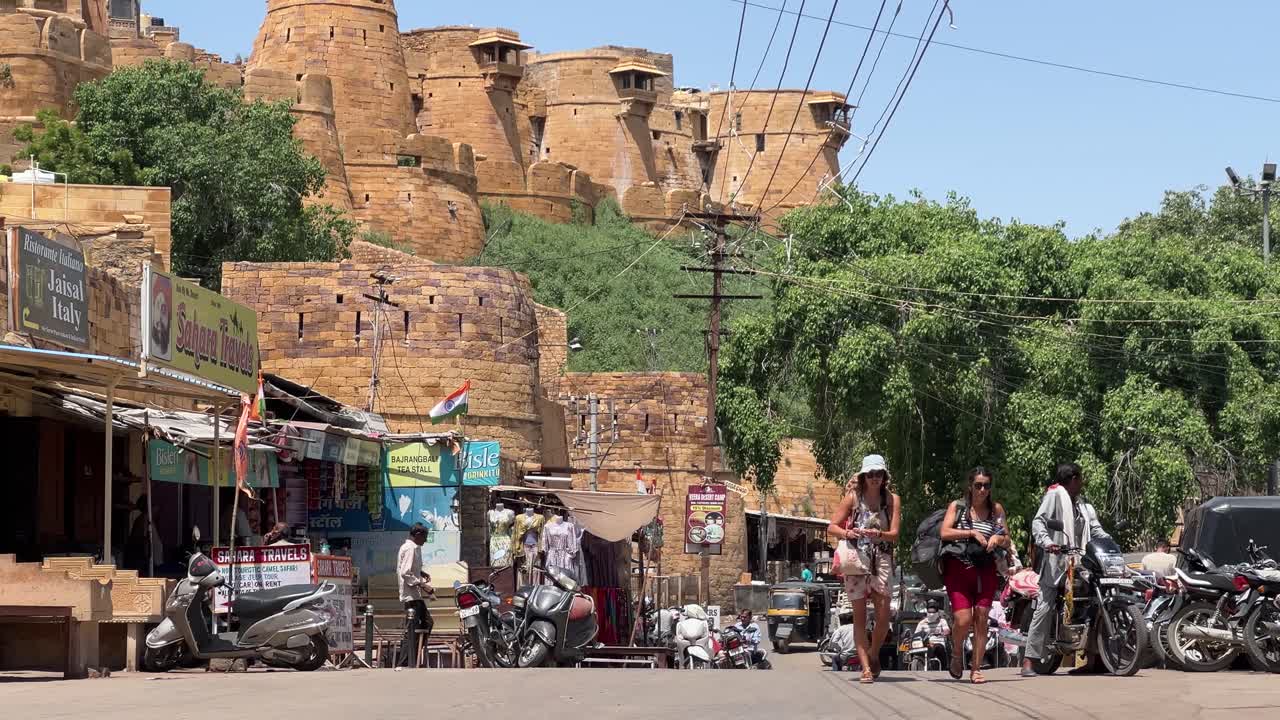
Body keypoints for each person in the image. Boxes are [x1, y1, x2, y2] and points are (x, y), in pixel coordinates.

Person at [1021, 463, 1111, 678]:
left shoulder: (1083, 505)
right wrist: (1047, 542)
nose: (1083, 483)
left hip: (1081, 562)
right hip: (1056, 562)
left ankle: (1094, 660)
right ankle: (1029, 660)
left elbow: (1096, 529)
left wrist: (1110, 543)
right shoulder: (1054, 495)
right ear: (1073, 479)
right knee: (1045, 607)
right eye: (1081, 479)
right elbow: (1039, 522)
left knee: (1094, 603)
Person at [827, 454, 902, 684]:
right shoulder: (853, 498)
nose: (874, 478)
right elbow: (832, 526)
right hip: (856, 558)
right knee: (859, 616)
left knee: (884, 614)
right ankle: (866, 668)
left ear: (884, 476)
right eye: (870, 474)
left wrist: (879, 534)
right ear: (863, 476)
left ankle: (874, 653)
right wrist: (848, 533)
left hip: (881, 558)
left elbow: (895, 534)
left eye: (878, 473)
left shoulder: (892, 500)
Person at [939, 466, 1009, 684]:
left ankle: (976, 667)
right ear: (970, 486)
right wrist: (971, 532)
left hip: (985, 569)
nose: (982, 490)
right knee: (963, 619)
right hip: (958, 569)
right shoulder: (958, 507)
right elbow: (945, 532)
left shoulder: (996, 510)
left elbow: (1007, 538)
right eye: (978, 485)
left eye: (986, 486)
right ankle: (956, 653)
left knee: (981, 616)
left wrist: (998, 539)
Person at [395, 523, 436, 668]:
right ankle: (407, 660)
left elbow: (408, 568)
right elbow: (405, 573)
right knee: (417, 627)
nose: (425, 540)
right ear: (418, 535)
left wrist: (421, 573)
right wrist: (423, 585)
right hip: (411, 596)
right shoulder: (410, 548)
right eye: (424, 537)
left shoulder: (412, 548)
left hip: (414, 595)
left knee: (420, 626)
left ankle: (411, 657)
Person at [914, 599, 951, 669]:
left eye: (933, 612)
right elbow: (916, 634)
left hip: (939, 642)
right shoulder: (922, 623)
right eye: (929, 612)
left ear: (937, 612)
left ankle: (943, 667)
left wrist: (942, 632)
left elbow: (947, 630)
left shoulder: (942, 621)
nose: (931, 614)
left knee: (937, 648)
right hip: (926, 643)